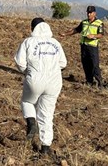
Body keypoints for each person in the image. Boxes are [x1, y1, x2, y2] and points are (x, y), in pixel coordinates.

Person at [14, 17, 67, 155]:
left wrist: (27, 72)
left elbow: (19, 62)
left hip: (35, 80)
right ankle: (45, 147)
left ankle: (31, 123)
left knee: (27, 101)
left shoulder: (28, 42)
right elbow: (63, 63)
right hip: (55, 82)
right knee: (47, 114)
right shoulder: (55, 43)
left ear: (32, 28)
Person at [60, 5, 105, 88]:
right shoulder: (84, 22)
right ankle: (89, 81)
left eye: (90, 13)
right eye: (88, 12)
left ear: (94, 13)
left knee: (95, 65)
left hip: (92, 47)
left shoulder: (99, 23)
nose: (89, 14)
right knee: (86, 64)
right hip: (84, 46)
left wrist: (93, 36)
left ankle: (100, 83)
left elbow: (101, 34)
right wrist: (65, 34)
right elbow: (76, 30)